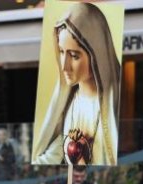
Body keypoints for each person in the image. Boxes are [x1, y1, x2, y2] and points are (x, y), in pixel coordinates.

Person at [31, 2, 120, 166]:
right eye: (62, 52)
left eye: (74, 55)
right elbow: (58, 149)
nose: (64, 66)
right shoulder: (69, 101)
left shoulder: (111, 101)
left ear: (96, 54)